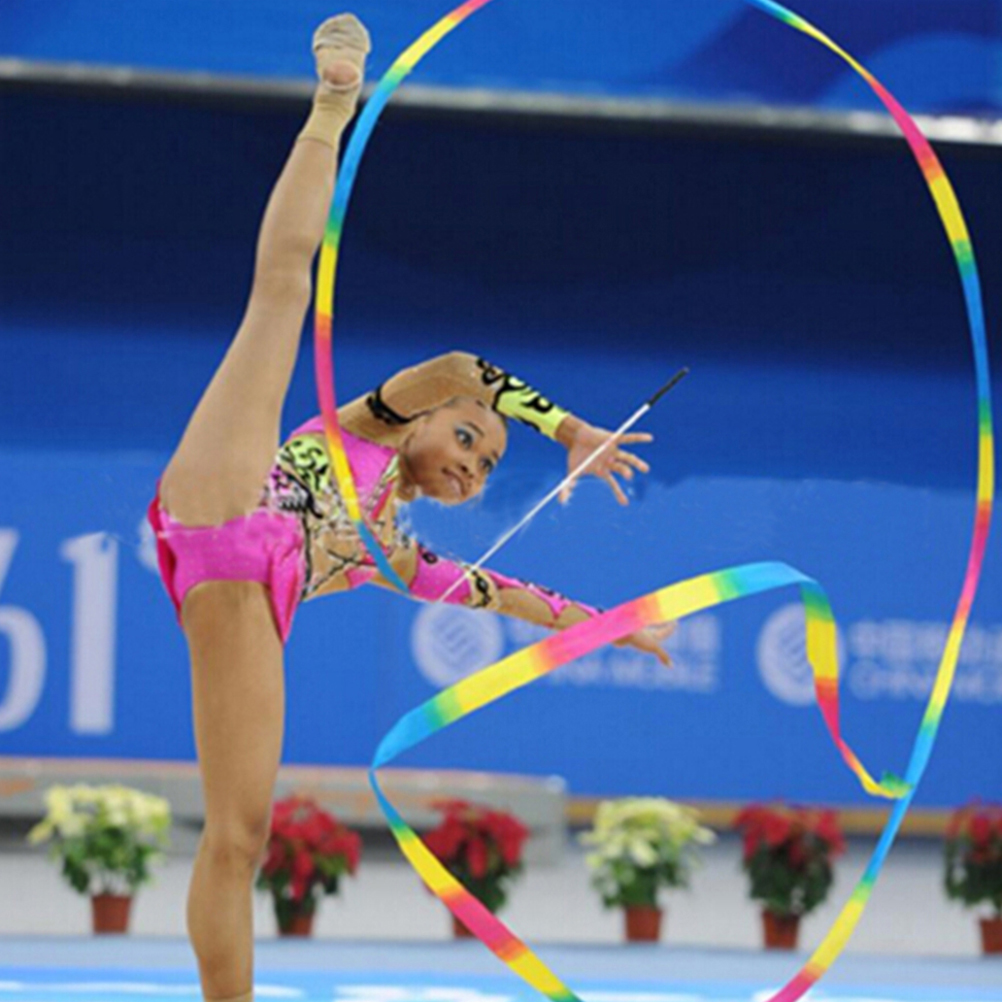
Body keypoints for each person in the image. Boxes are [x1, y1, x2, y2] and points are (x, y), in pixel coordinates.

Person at [148, 15, 672, 1002]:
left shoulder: (391, 552)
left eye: (488, 465)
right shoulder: (367, 425)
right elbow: (462, 366)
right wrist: (567, 431)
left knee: (240, 837)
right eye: (469, 437)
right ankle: (330, 106)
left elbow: (505, 595)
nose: (474, 464)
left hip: (243, 596)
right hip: (227, 490)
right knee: (280, 296)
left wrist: (611, 625)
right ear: (426, 419)